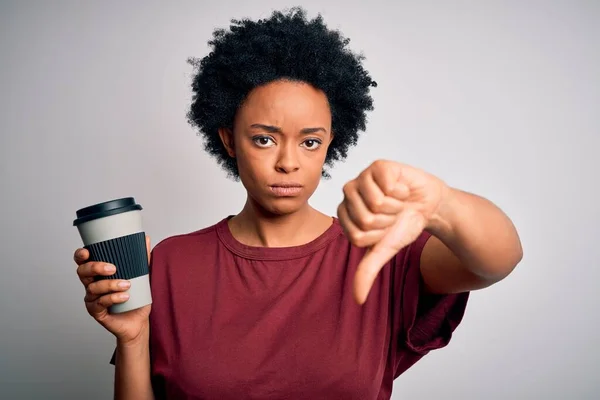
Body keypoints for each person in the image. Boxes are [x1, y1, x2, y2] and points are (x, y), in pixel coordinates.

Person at [73, 7, 523, 400]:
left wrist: (441, 202)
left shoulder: (378, 255)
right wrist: (132, 339)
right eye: (264, 138)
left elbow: (498, 260)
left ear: (331, 143)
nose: (288, 162)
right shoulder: (172, 262)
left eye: (310, 142)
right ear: (229, 140)